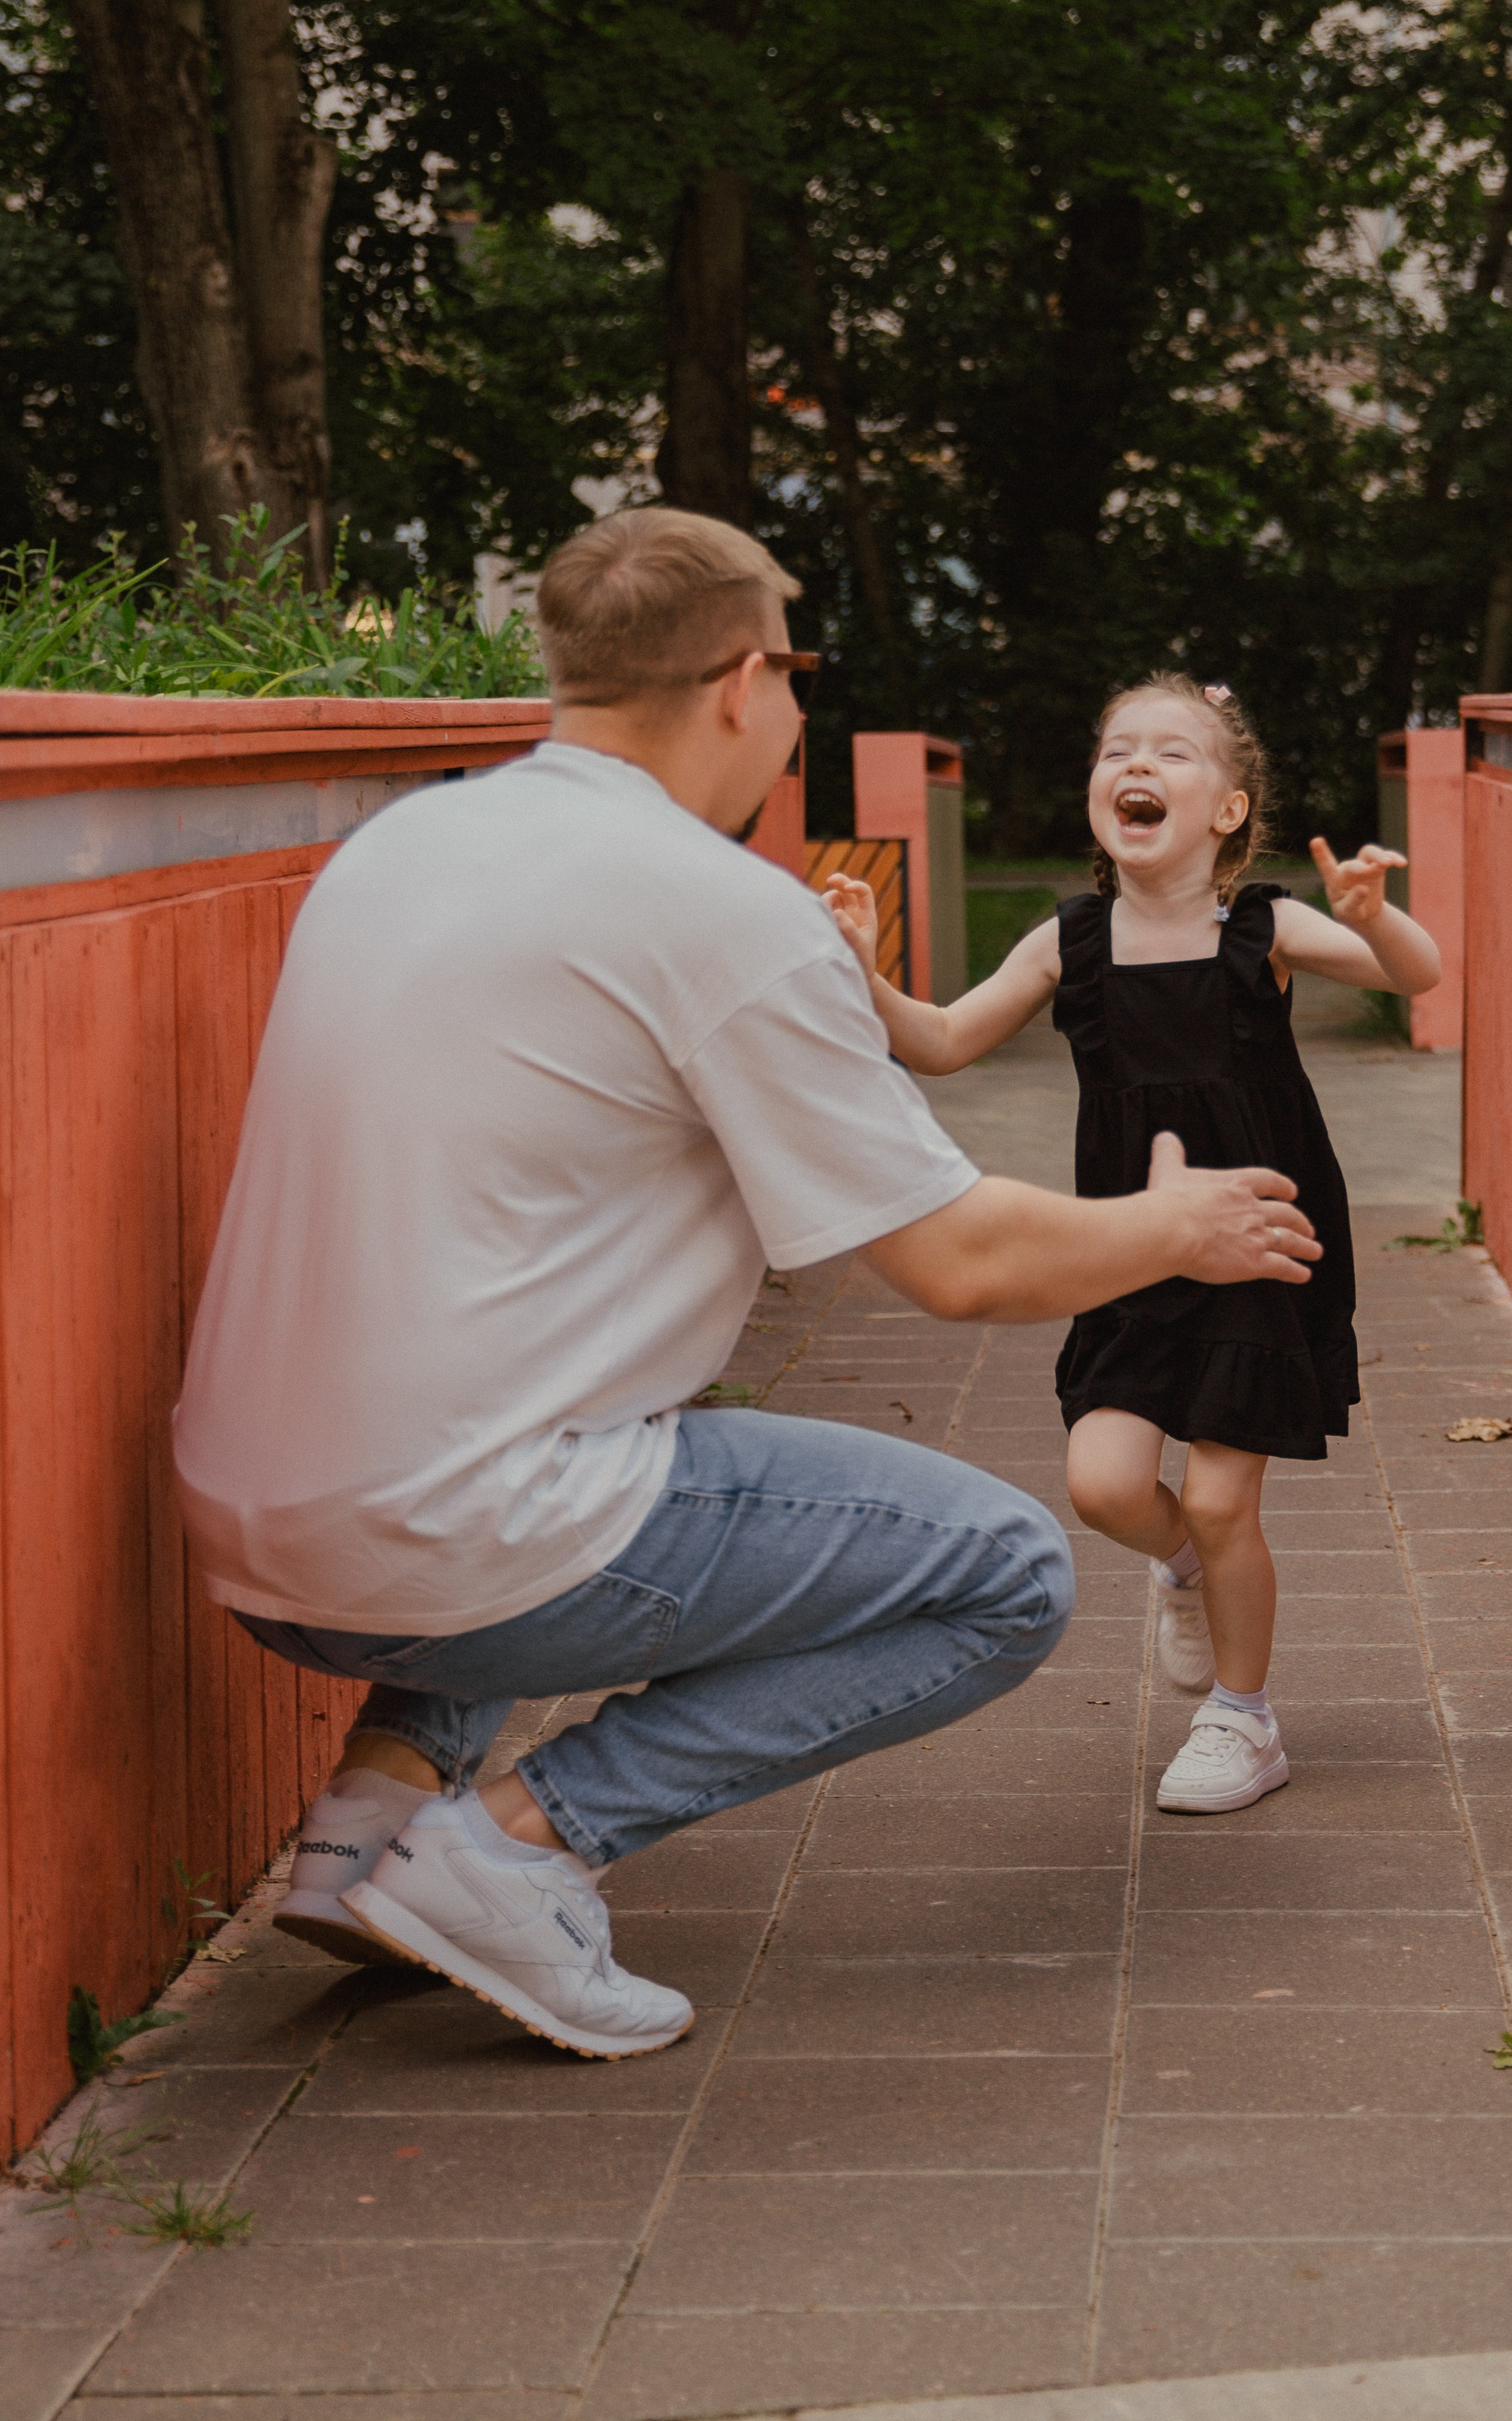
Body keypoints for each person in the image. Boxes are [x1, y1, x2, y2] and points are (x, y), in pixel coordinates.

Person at [173, 514, 1322, 2063]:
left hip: (251, 1535)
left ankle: (363, 1823)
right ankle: (505, 1850)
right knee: (999, 1573)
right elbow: (956, 1259)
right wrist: (1170, 1227)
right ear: (739, 684)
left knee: (528, 1410)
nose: (794, 713)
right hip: (456, 1543)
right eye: (795, 676)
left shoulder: (401, 842)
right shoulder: (718, 909)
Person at [824, 674, 1440, 1814]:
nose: (1137, 767)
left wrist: (1371, 918)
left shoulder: (1265, 926)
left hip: (1258, 1238)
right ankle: (1188, 1572)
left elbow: (1420, 974)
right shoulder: (1072, 940)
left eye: (1172, 752)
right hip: (1129, 1250)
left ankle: (1244, 1721)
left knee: (1220, 1496)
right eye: (1118, 751)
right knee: (1105, 1484)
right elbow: (948, 1039)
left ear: (1229, 811)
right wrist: (866, 978)